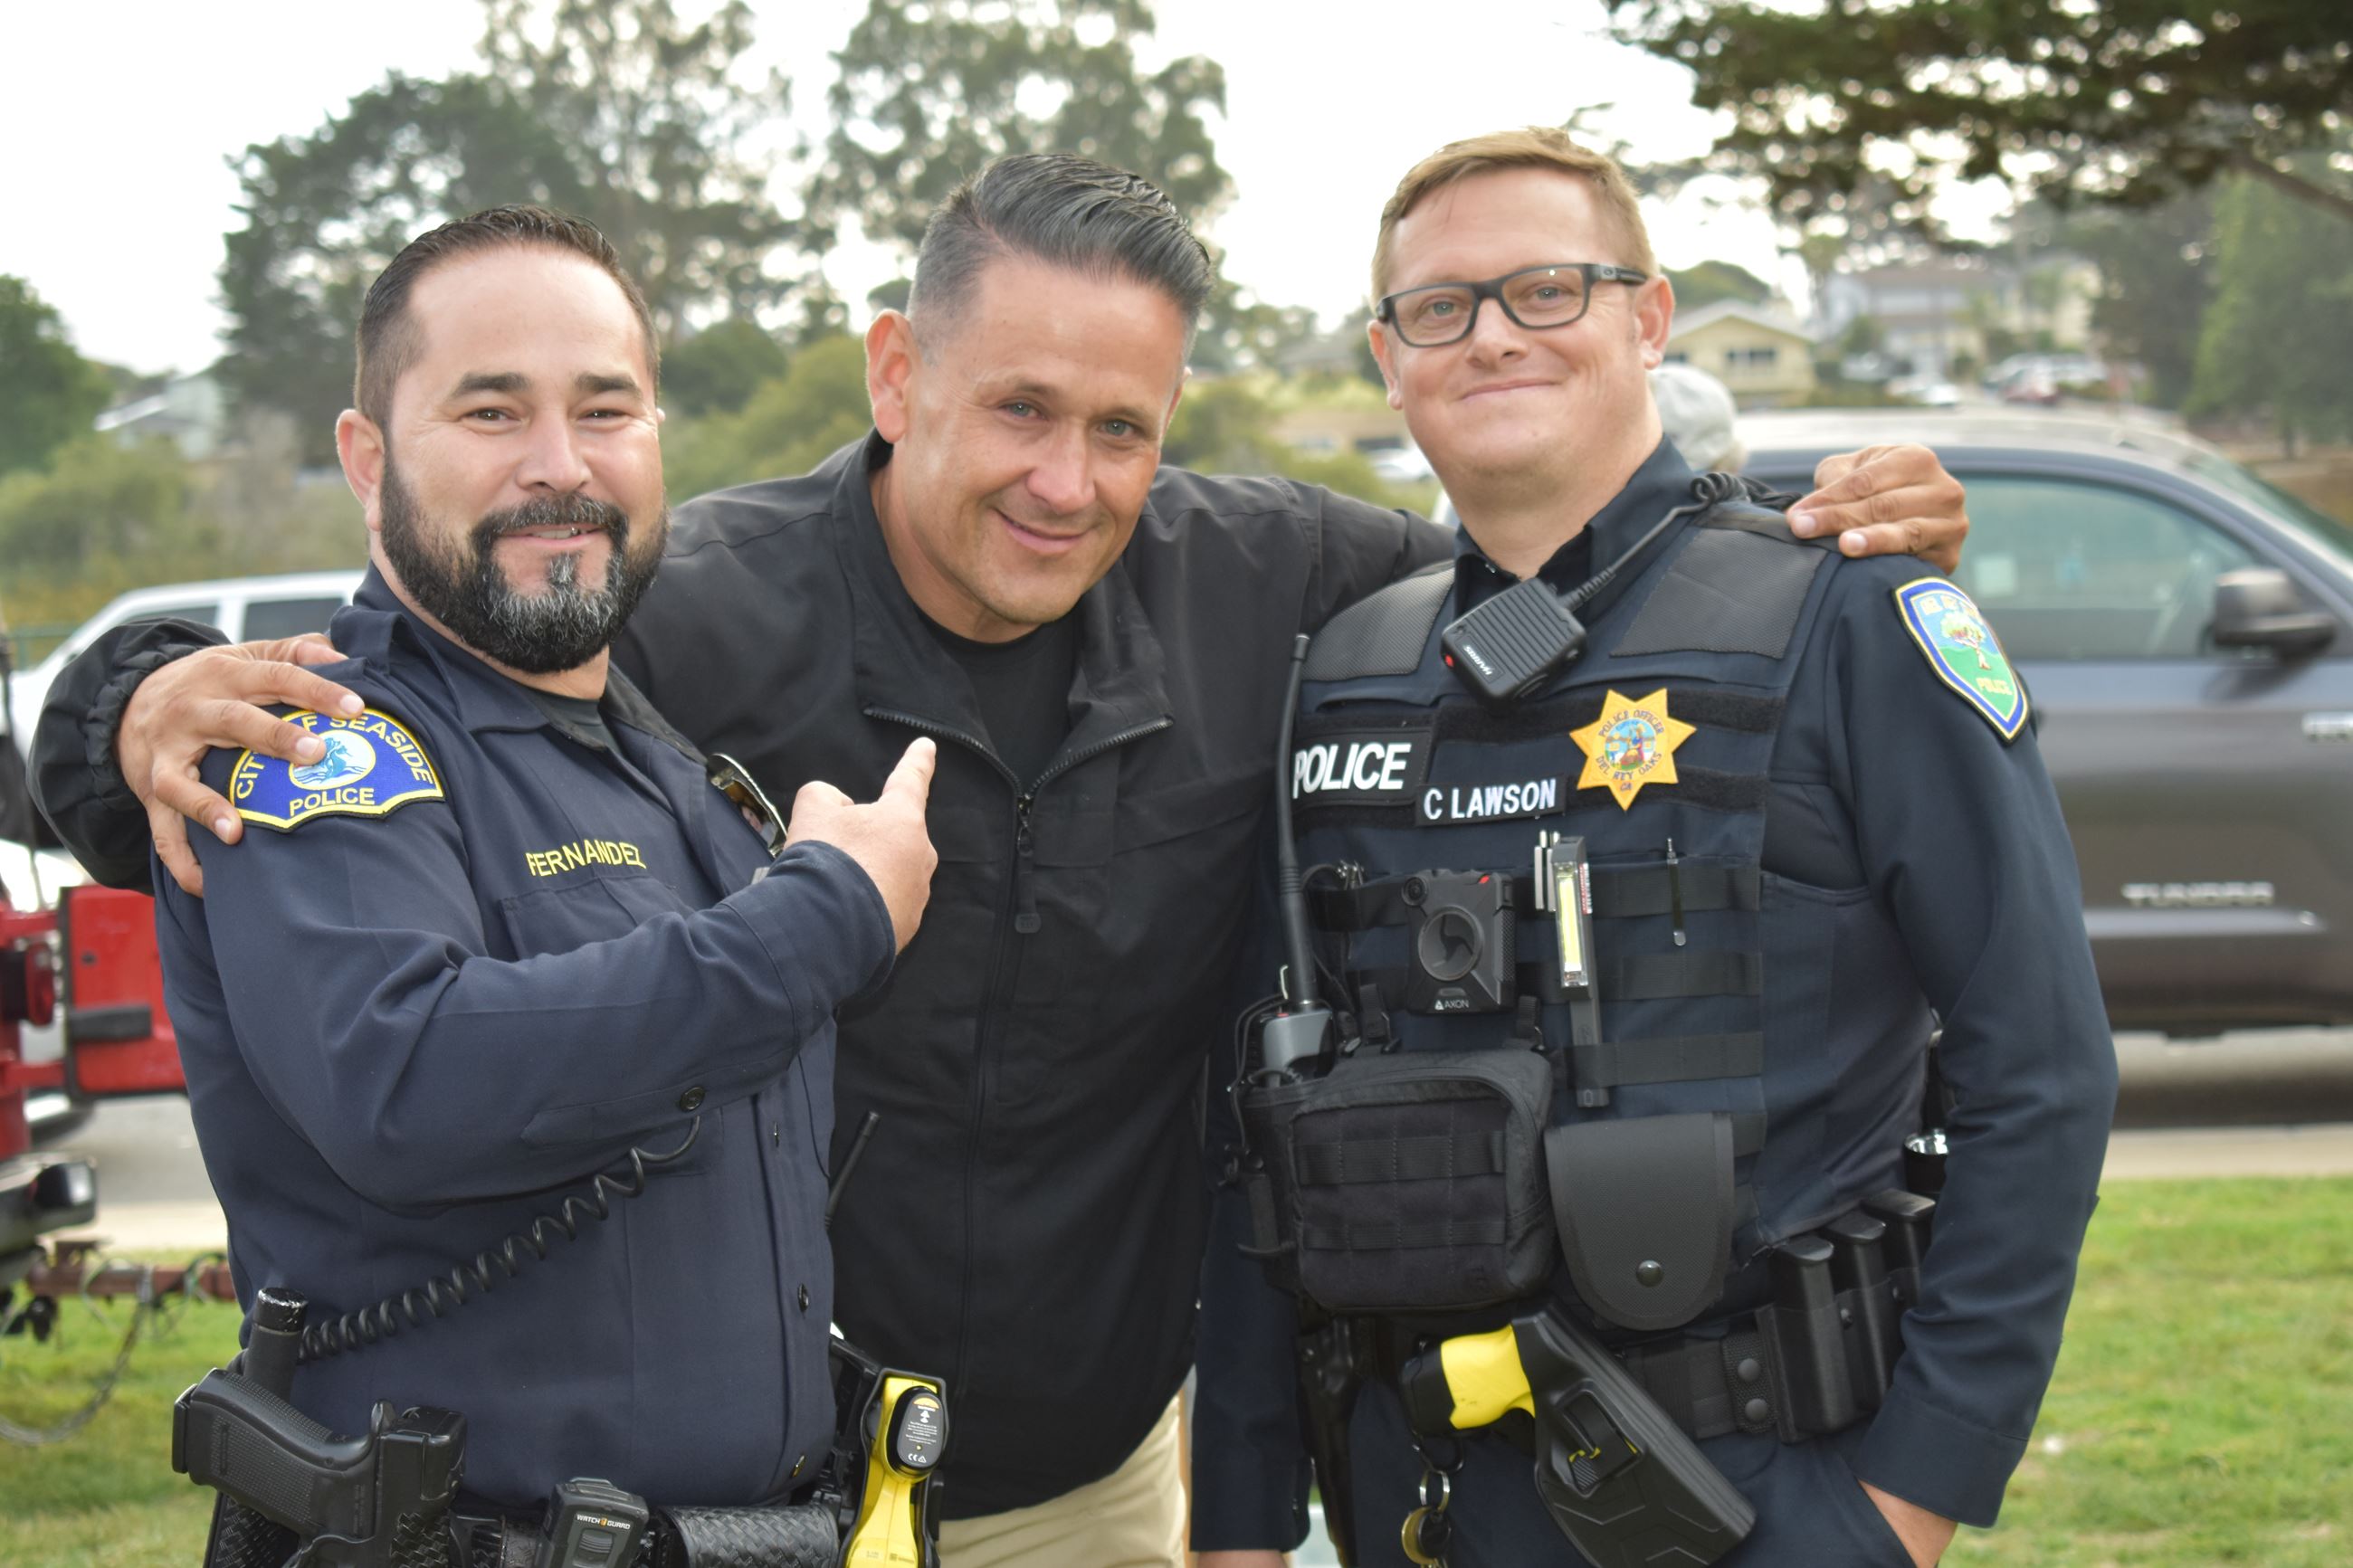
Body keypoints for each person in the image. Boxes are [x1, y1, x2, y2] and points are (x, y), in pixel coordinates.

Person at [33, 157, 1977, 1568]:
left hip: (1091, 1480)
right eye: (1017, 412)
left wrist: (1797, 527)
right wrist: (120, 708)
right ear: (895, 376)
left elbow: (1568, 573)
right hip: (765, 1494)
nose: (1069, 482)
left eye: (1121, 428)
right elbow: (437, 636)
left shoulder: (1271, 579)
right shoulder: (693, 604)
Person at [1189, 129, 2115, 1568]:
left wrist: (1909, 1505)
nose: (1491, 335)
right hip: (1413, 1500)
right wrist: (1241, 1523)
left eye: (1546, 289)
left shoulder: (1853, 621)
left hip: (1755, 1495)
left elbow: (2041, 1065)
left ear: (1649, 315)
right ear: (1389, 355)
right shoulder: (1345, 676)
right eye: (1440, 307)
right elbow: (1257, 1110)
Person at [124, 204, 939, 1524]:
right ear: (366, 456)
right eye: (492, 413)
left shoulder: (672, 770)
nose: (558, 466)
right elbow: (400, 1070)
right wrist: (820, 918)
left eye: (605, 410)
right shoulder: (312, 745)